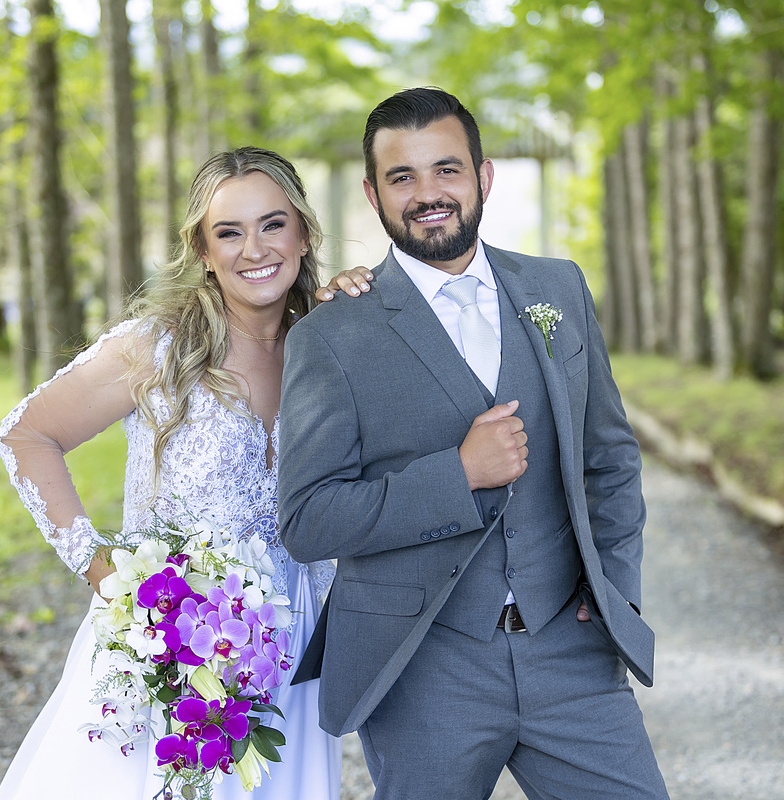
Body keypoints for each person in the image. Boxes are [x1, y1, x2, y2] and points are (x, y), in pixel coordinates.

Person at [278, 87, 670, 799]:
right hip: (424, 665)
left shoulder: (558, 288)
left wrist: (615, 591)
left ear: (483, 177)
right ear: (373, 194)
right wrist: (456, 475)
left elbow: (608, 457)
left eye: (446, 170)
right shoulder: (332, 336)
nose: (428, 194)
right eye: (403, 177)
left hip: (572, 653)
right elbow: (308, 521)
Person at [0, 146, 372, 800]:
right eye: (229, 231)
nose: (254, 248)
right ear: (203, 249)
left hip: (296, 647)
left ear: (304, 232)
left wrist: (357, 310)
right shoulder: (158, 346)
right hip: (177, 641)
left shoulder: (333, 340)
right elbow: (27, 434)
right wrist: (105, 573)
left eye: (272, 224)